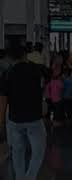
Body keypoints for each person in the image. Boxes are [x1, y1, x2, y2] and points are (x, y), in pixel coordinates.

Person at [0, 43, 47, 180]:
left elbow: (3, 100)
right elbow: (43, 86)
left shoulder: (7, 74)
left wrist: (1, 122)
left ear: (10, 57)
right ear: (25, 54)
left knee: (17, 151)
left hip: (15, 119)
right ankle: (30, 177)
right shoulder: (36, 69)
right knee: (38, 151)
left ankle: (20, 177)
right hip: (34, 118)